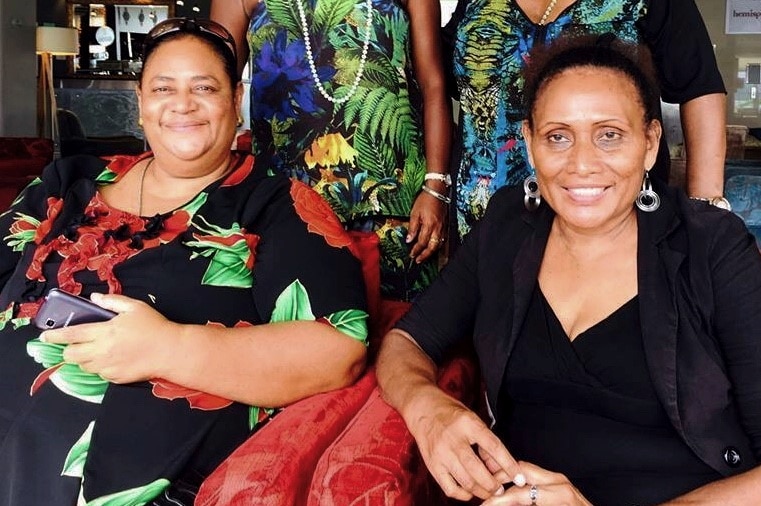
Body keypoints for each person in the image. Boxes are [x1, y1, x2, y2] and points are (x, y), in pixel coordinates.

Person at [376, 36, 761, 505]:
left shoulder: (712, 245)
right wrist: (426, 407)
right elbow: (407, 341)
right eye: (558, 136)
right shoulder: (507, 228)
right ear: (530, 144)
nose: (581, 164)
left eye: (609, 135)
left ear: (650, 144)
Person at [0, 18, 369, 505]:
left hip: (113, 475)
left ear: (235, 101)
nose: (182, 103)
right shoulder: (66, 184)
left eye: (204, 87)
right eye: (163, 88)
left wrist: (166, 347)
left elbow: (338, 350)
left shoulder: (274, 206)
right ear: (140, 103)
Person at [211, 0, 452, 301]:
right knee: (301, 331)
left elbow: (433, 85)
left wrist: (436, 188)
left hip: (395, 208)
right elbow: (215, 85)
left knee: (402, 334)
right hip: (286, 207)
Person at [443, 0, 728, 241]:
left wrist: (704, 213)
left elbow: (700, 88)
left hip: (611, 226)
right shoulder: (475, 4)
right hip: (482, 222)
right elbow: (435, 80)